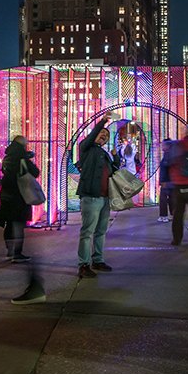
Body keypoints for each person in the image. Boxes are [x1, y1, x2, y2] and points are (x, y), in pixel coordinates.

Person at [76, 113, 120, 278]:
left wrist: (115, 155)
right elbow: (94, 134)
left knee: (101, 231)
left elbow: (115, 169)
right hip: (91, 196)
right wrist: (102, 122)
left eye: (106, 136)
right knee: (87, 232)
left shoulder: (105, 154)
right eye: (101, 134)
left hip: (105, 198)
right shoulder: (85, 148)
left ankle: (98, 259)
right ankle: (84, 264)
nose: (103, 136)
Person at [0, 136, 39, 263]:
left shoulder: (7, 157)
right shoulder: (22, 157)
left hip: (6, 193)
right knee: (19, 224)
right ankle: (17, 253)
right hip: (19, 194)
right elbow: (35, 172)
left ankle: (9, 251)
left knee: (9, 223)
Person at [157, 139, 174, 222]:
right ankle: (172, 214)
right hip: (171, 180)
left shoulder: (167, 156)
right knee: (171, 198)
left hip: (166, 181)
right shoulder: (171, 154)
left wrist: (162, 180)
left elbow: (165, 169)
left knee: (163, 199)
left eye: (163, 145)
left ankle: (164, 216)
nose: (161, 147)